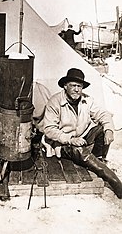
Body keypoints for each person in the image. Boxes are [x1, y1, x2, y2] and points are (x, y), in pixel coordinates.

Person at [41, 68, 122, 198]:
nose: (76, 89)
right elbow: (49, 129)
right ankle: (116, 183)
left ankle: (97, 160)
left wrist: (109, 130)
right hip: (62, 143)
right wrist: (70, 139)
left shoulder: (86, 100)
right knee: (79, 150)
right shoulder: (55, 102)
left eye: (79, 86)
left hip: (81, 138)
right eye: (73, 85)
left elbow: (103, 114)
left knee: (102, 128)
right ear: (65, 86)